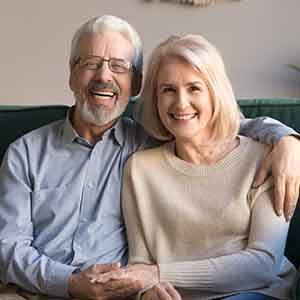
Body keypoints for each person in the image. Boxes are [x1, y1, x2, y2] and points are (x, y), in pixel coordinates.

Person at [0, 16, 299, 300]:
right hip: (29, 292)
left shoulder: (150, 141)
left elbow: (212, 125)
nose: (104, 76)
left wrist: (287, 139)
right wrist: (70, 284)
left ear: (137, 83)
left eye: (119, 66)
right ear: (72, 72)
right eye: (91, 63)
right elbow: (8, 247)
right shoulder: (25, 154)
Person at [92, 34, 297, 300]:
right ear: (155, 99)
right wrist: (147, 292)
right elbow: (140, 261)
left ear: (216, 93)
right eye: (168, 90)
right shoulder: (139, 169)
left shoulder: (266, 157)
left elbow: (263, 264)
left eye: (194, 88)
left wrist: (158, 274)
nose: (180, 103)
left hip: (255, 293)